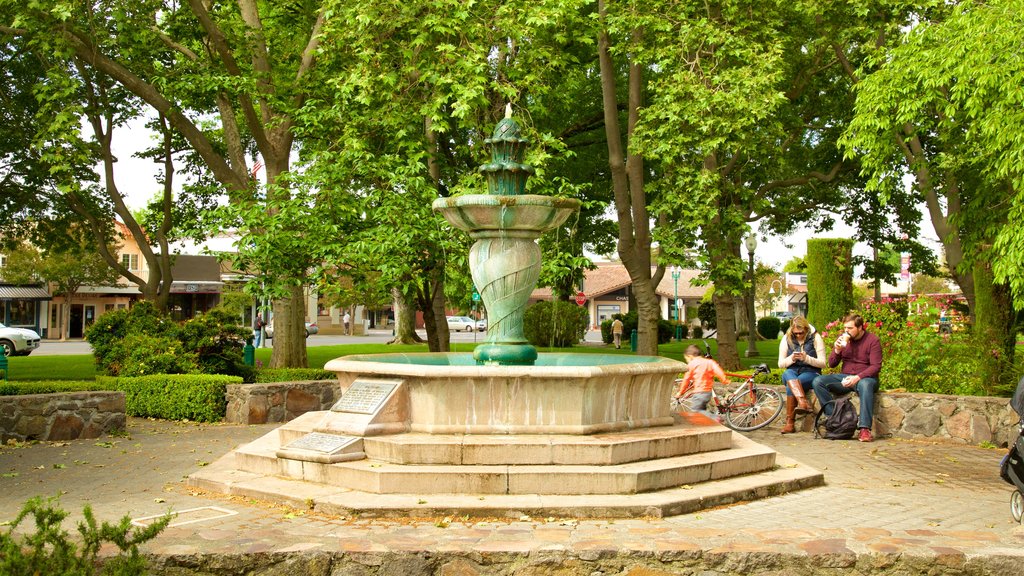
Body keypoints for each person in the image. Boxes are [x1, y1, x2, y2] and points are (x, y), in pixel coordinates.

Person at [811, 313, 883, 442]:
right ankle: (835, 420)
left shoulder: (873, 340)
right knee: (818, 381)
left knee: (865, 385)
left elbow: (876, 366)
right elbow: (832, 364)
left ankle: (864, 429)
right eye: (845, 328)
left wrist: (857, 377)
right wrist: (837, 350)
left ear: (860, 327)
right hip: (845, 377)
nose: (846, 331)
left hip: (865, 378)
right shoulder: (843, 340)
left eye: (850, 328)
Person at [777, 315, 826, 434]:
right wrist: (792, 359)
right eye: (796, 333)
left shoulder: (815, 337)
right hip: (792, 371)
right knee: (788, 374)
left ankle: (790, 423)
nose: (798, 335)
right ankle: (803, 402)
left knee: (791, 384)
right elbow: (780, 364)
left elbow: (823, 363)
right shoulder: (786, 338)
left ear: (806, 329)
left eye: (801, 333)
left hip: (810, 372)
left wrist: (807, 359)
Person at [674, 344, 729, 421]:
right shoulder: (709, 362)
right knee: (702, 409)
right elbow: (718, 370)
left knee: (696, 411)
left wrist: (680, 392)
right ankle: (706, 424)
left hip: (699, 393)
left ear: (690, 356)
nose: (687, 361)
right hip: (708, 393)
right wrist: (724, 379)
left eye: (686, 359)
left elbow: (686, 379)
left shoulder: (692, 364)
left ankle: (715, 418)